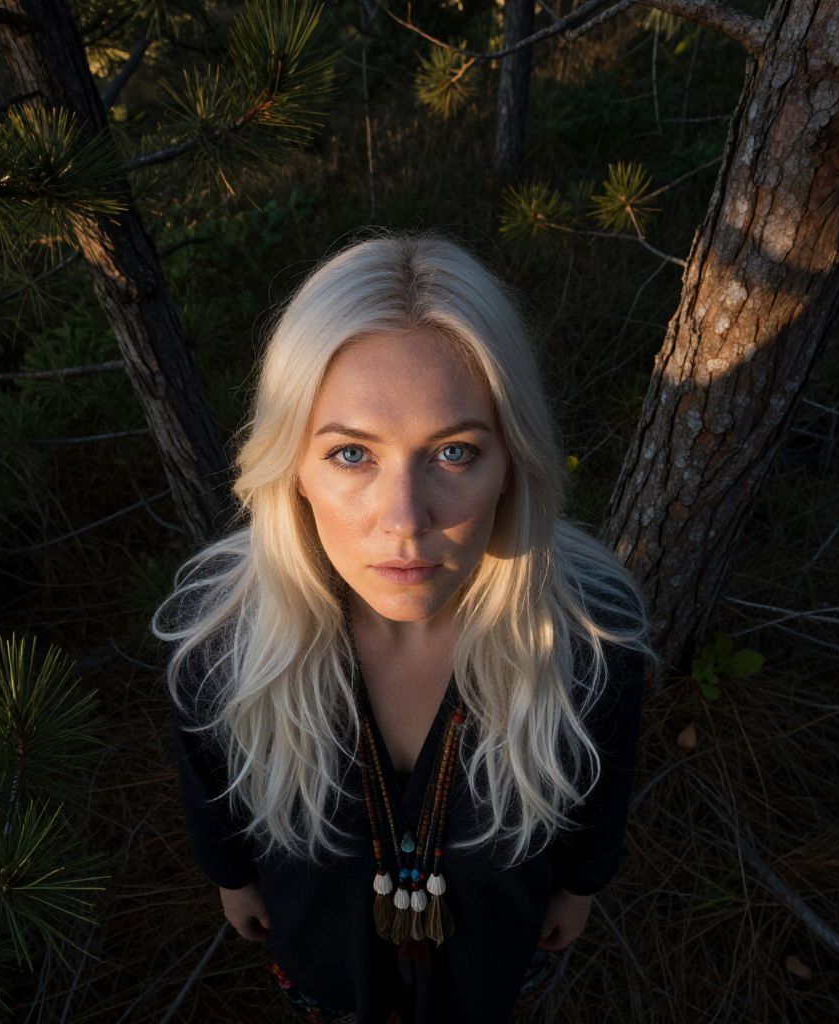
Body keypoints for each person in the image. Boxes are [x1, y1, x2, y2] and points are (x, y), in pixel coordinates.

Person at [152, 229, 658, 1024]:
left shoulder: (591, 639)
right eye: (352, 455)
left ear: (512, 463)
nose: (405, 521)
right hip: (325, 972)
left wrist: (580, 885)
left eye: (454, 452)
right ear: (292, 470)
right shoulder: (219, 642)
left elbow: (602, 792)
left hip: (495, 966)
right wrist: (232, 875)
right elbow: (210, 789)